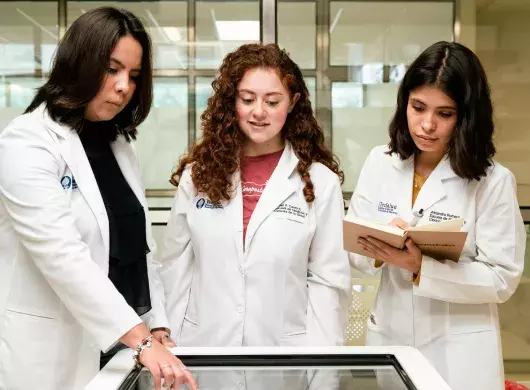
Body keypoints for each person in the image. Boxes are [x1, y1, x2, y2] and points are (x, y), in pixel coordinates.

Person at [0, 7, 196, 390]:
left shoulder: (119, 144)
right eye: (112, 69)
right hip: (53, 350)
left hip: (119, 349)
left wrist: (157, 323)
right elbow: (61, 254)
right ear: (80, 64)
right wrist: (140, 338)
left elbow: (141, 247)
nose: (124, 85)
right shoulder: (26, 141)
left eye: (134, 75)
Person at [347, 41, 526, 390]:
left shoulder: (492, 181)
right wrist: (384, 247)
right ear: (404, 104)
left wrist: (421, 267)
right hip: (393, 337)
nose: (427, 124)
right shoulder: (380, 162)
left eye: (444, 114)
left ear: (466, 116)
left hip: (460, 350)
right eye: (418, 107)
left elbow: (502, 278)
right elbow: (354, 251)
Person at [159, 43, 351, 348]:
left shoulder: (320, 182)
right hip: (204, 346)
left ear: (292, 102)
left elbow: (328, 282)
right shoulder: (198, 175)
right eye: (247, 99)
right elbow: (174, 266)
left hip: (285, 351)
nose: (258, 112)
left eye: (273, 102)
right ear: (231, 102)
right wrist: (164, 335)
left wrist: (323, 365)